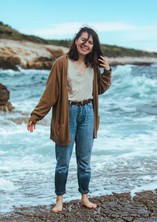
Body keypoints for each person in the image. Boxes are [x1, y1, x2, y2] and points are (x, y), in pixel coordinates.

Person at [27, 26, 112, 212]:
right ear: (76, 40)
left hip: (88, 112)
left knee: (84, 162)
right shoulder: (61, 63)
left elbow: (100, 89)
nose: (86, 44)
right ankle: (59, 200)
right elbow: (50, 93)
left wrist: (107, 71)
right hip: (68, 114)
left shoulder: (94, 64)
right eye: (83, 39)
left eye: (90, 42)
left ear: (93, 46)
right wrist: (36, 116)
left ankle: (85, 197)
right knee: (63, 162)